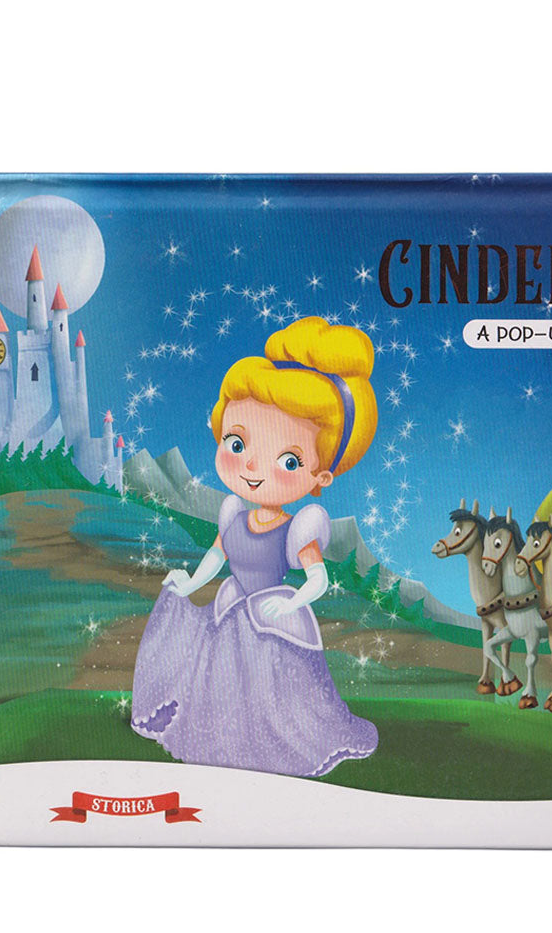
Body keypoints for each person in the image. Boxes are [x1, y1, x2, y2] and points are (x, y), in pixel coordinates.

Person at [131, 316, 379, 777]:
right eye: (237, 442)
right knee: (223, 687)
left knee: (271, 697)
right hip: (230, 612)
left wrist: (294, 603)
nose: (251, 467)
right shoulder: (233, 514)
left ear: (321, 476)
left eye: (288, 460)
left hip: (271, 619)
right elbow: (217, 556)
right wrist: (191, 584)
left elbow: (317, 578)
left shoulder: (298, 528)